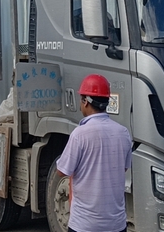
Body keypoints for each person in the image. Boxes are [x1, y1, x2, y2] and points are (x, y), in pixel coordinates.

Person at [56, 74, 132, 232]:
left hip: (84, 225)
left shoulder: (79, 134)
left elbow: (62, 171)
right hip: (116, 225)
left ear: (85, 101)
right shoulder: (123, 133)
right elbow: (123, 168)